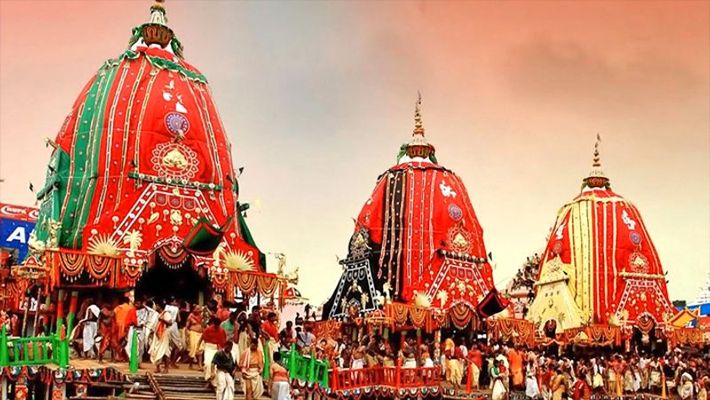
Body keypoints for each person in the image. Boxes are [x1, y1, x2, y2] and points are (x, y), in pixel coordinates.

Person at [149, 302, 173, 373]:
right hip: (157, 335)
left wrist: (162, 319)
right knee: (155, 351)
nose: (155, 307)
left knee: (165, 351)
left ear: (159, 306)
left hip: (164, 334)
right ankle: (158, 368)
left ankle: (166, 368)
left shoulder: (166, 314)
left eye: (156, 305)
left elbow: (170, 323)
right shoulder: (157, 314)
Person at [201, 317, 227, 381]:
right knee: (207, 362)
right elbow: (202, 338)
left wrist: (221, 350)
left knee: (215, 365)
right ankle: (208, 378)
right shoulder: (208, 329)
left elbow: (223, 342)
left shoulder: (221, 330)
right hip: (208, 347)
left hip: (217, 348)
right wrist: (198, 347)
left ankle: (213, 380)